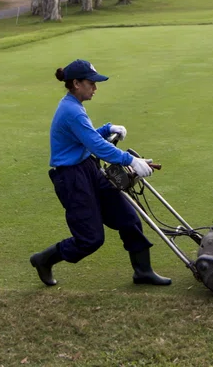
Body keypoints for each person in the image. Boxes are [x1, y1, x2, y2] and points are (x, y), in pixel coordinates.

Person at [29, 59, 171, 288]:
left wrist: (106, 129)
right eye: (91, 83)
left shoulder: (74, 106)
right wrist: (131, 160)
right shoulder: (71, 111)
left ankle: (143, 271)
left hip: (88, 169)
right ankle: (43, 259)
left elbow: (86, 139)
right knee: (90, 239)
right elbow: (97, 146)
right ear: (76, 83)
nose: (95, 88)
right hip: (72, 179)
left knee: (128, 218)